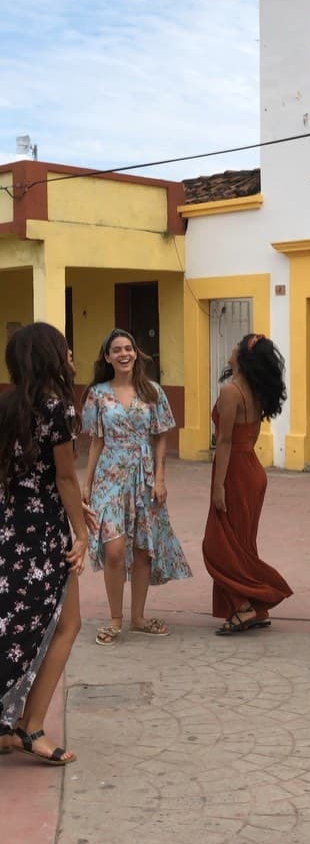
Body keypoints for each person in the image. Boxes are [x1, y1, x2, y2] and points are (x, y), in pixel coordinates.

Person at [0, 322, 90, 764]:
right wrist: (82, 532)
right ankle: (30, 726)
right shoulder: (59, 408)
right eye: (65, 350)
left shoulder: (7, 406)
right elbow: (65, 477)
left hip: (10, 526)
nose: (71, 356)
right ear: (50, 357)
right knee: (67, 624)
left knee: (15, 621)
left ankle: (14, 725)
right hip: (45, 532)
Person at [81, 329, 191, 646]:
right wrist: (86, 484)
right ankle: (115, 619)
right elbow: (96, 441)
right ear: (107, 357)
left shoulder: (152, 391)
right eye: (117, 350)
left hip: (143, 476)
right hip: (110, 476)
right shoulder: (97, 394)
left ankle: (138, 618)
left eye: (128, 348)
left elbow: (161, 436)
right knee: (113, 548)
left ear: (135, 352)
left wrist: (160, 477)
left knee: (143, 548)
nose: (124, 354)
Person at [202, 333, 292, 634]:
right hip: (252, 468)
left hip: (236, 473)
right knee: (241, 544)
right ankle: (255, 606)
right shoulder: (254, 389)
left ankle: (250, 604)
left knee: (219, 546)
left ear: (243, 356)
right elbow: (246, 437)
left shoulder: (231, 391)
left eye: (237, 344)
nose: (232, 346)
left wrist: (218, 486)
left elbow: (225, 440)